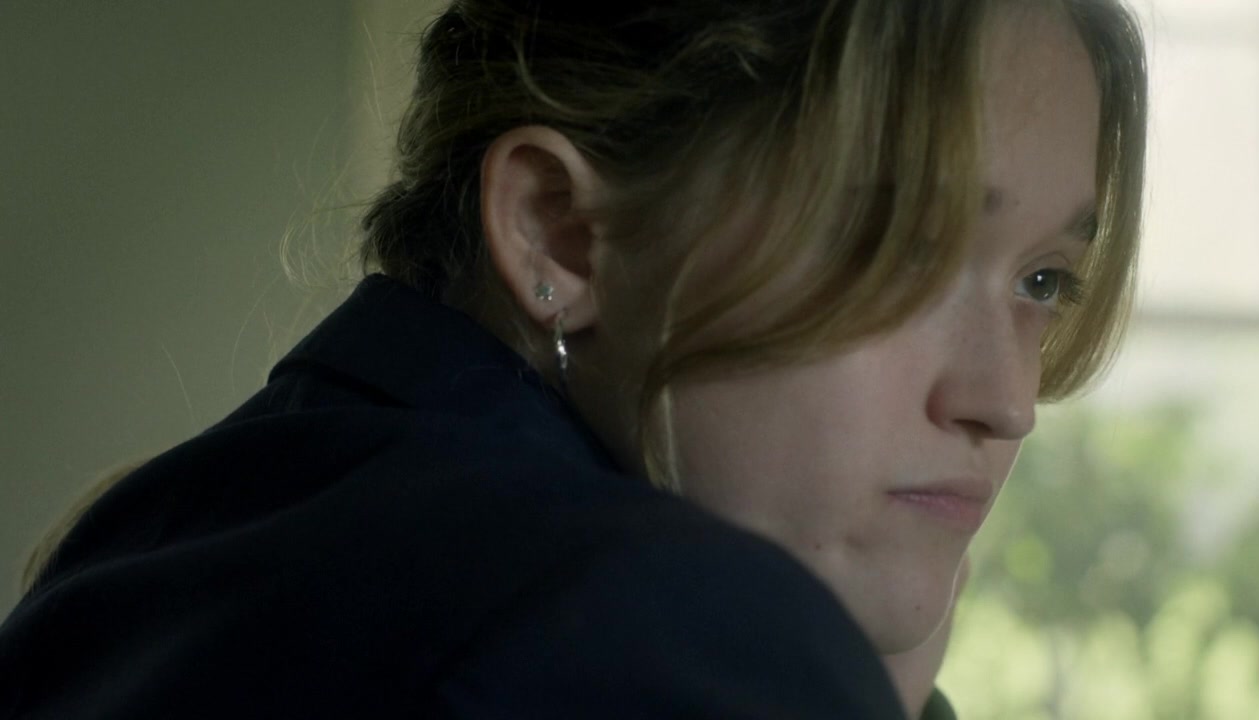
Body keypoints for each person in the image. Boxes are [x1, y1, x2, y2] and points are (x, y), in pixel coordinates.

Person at [0, 0, 1146, 717]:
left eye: (1042, 281)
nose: (1004, 400)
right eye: (898, 247)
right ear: (557, 234)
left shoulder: (145, 544)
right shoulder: (648, 622)